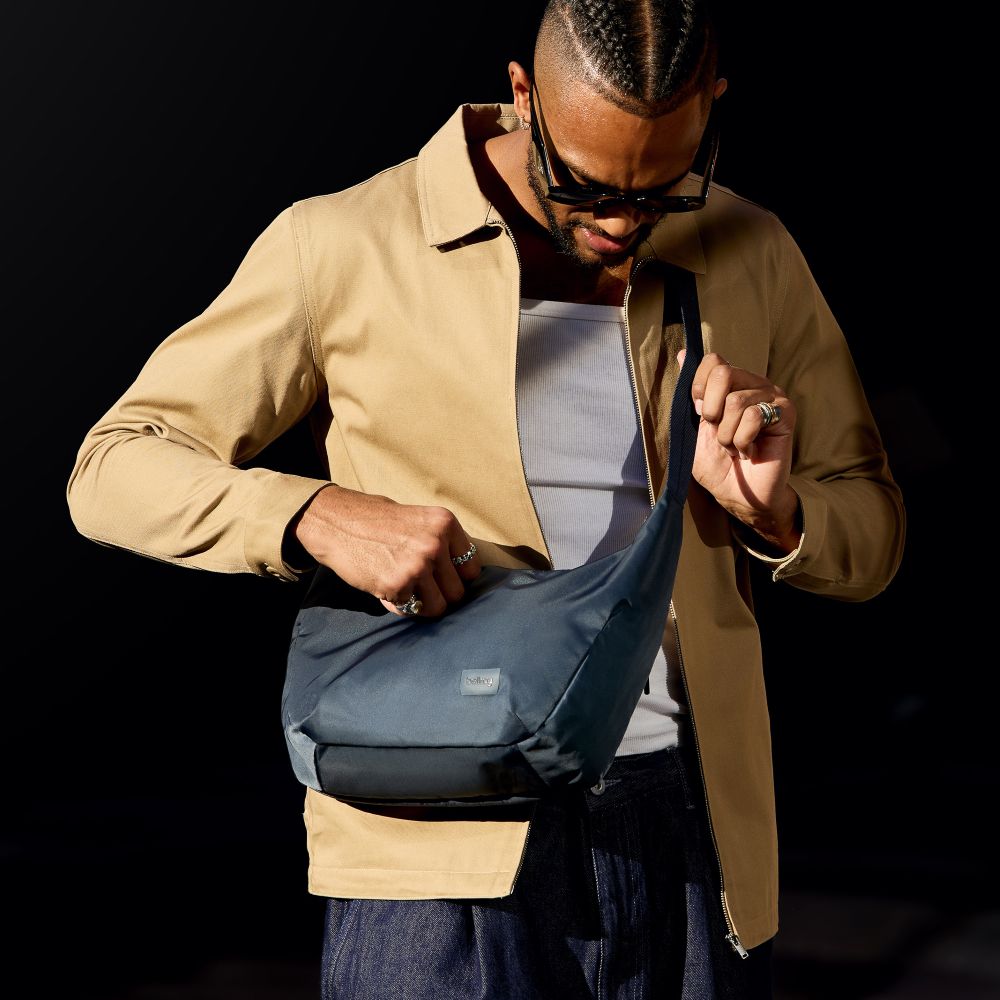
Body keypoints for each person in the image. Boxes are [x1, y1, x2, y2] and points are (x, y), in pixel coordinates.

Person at [66, 1, 906, 996]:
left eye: (659, 190)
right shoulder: (344, 242)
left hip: (687, 839)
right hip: (435, 846)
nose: (619, 223)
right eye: (583, 185)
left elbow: (872, 533)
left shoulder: (751, 249)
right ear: (522, 96)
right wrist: (313, 515)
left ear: (713, 108)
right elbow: (113, 466)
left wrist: (778, 514)